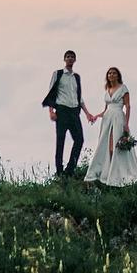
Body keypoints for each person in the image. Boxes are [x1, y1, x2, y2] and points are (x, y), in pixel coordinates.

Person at [84, 66, 137, 186]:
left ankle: (119, 174)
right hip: (107, 119)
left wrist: (126, 123)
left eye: (114, 73)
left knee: (116, 144)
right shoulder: (108, 90)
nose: (111, 75)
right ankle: (108, 171)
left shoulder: (123, 88)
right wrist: (96, 116)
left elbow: (128, 106)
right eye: (109, 73)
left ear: (118, 75)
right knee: (105, 145)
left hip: (118, 117)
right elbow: (106, 110)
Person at [42, 49, 87, 178]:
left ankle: (70, 170)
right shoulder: (58, 74)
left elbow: (79, 97)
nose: (70, 59)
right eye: (68, 57)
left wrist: (87, 113)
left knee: (79, 139)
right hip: (61, 111)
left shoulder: (76, 77)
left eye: (72, 57)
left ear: (75, 60)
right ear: (64, 59)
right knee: (60, 141)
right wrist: (51, 111)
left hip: (74, 111)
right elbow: (52, 92)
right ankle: (59, 171)